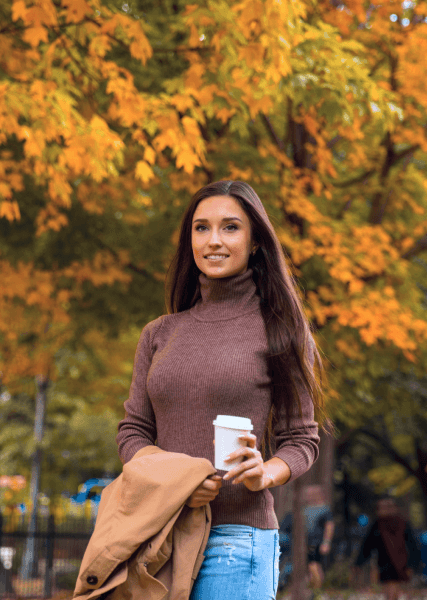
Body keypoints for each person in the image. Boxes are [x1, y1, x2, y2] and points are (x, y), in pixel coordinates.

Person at [116, 180, 329, 600]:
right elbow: (133, 432)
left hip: (236, 540)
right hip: (159, 535)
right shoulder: (160, 334)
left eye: (230, 227)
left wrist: (263, 472)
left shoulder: (281, 331)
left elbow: (301, 440)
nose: (213, 240)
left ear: (254, 243)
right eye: (201, 228)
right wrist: (175, 482)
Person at [353, 496, 420, 600]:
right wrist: (359, 562)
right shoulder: (377, 524)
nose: (382, 510)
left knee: (394, 586)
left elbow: (412, 544)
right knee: (390, 587)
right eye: (380, 507)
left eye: (386, 507)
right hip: (384, 561)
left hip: (401, 561)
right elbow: (368, 545)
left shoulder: (402, 523)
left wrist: (413, 563)